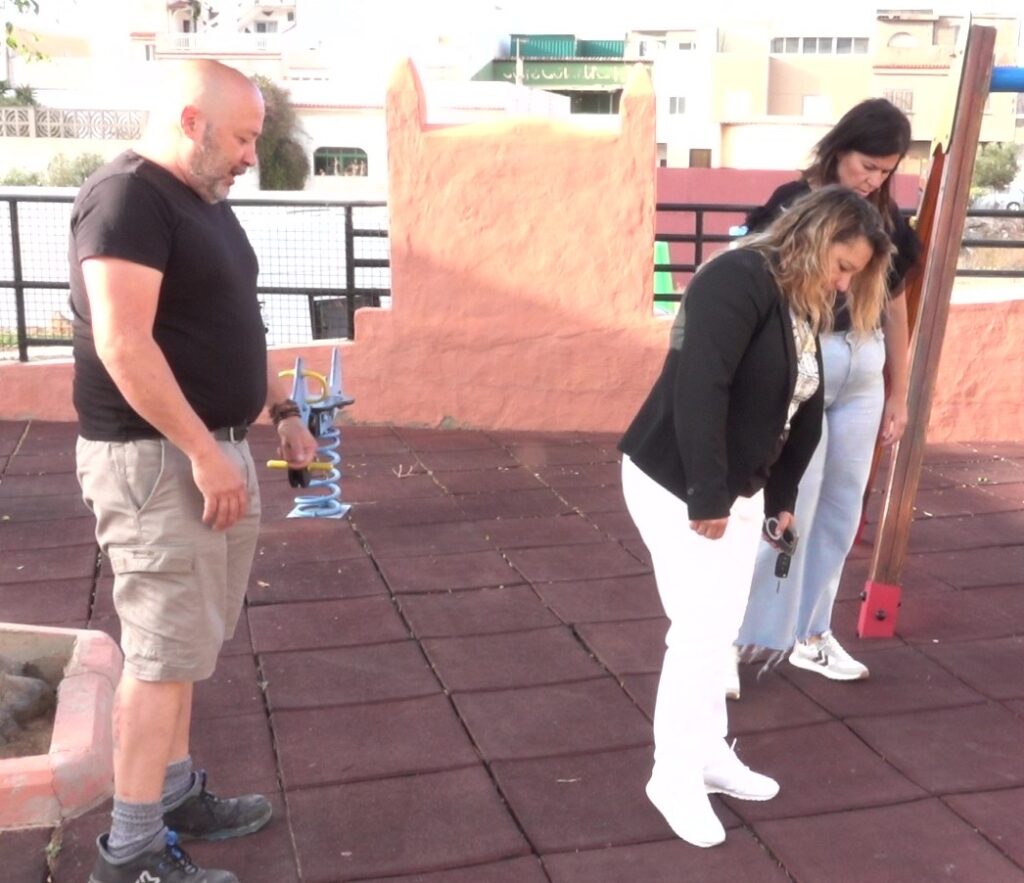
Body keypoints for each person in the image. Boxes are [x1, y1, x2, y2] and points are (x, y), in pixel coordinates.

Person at [70, 60, 318, 883]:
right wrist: (204, 453)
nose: (251, 156)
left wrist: (283, 412)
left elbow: (237, 322)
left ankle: (172, 794)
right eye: (242, 138)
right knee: (158, 655)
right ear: (190, 121)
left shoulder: (203, 204)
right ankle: (131, 852)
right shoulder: (126, 199)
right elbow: (123, 342)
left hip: (209, 448)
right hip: (158, 460)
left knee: (184, 645)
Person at [619, 186, 892, 848]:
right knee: (699, 631)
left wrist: (781, 498)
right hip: (676, 479)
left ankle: (707, 752)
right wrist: (708, 495)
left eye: (853, 273)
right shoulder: (736, 278)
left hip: (735, 486)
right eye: (843, 265)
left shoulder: (802, 298)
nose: (844, 283)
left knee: (719, 627)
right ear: (815, 236)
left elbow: (802, 402)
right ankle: (672, 775)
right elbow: (701, 386)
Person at [734, 98, 923, 687]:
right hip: (806, 358)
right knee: (791, 505)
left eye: (886, 171)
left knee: (841, 511)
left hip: (864, 362)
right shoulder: (794, 204)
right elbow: (752, 283)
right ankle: (742, 637)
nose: (874, 180)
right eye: (867, 165)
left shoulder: (885, 220)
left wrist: (900, 394)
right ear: (840, 148)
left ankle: (811, 634)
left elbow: (896, 308)